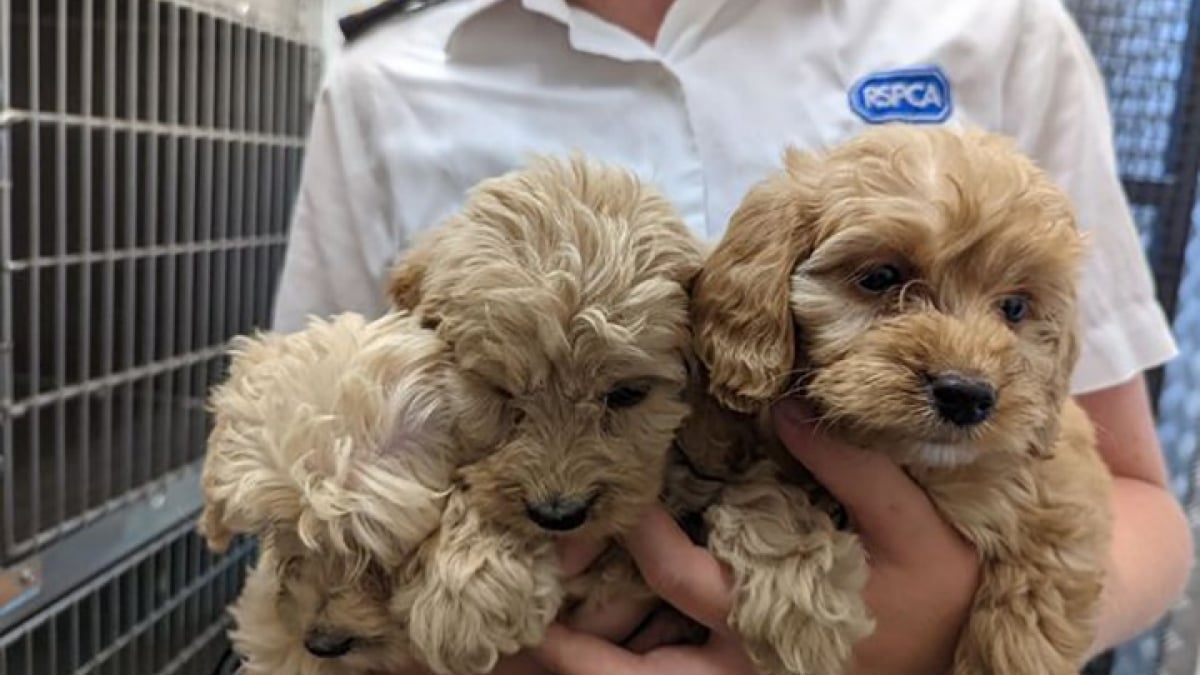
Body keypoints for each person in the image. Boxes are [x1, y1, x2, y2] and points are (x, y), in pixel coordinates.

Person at [272, 0, 1194, 672]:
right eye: (881, 282)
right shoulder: (388, 80)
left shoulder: (1001, 28)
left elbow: (1141, 502)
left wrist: (935, 635)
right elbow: (319, 466)